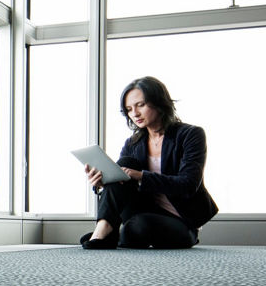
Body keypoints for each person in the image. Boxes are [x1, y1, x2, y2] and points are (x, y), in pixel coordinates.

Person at [81, 76, 218, 249]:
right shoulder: (133, 143)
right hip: (142, 209)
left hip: (180, 219)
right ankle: (102, 231)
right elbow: (121, 186)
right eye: (129, 109)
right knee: (125, 164)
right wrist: (103, 181)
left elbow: (188, 184)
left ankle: (114, 234)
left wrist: (140, 176)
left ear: (159, 102)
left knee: (137, 226)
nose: (134, 113)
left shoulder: (190, 135)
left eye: (140, 105)